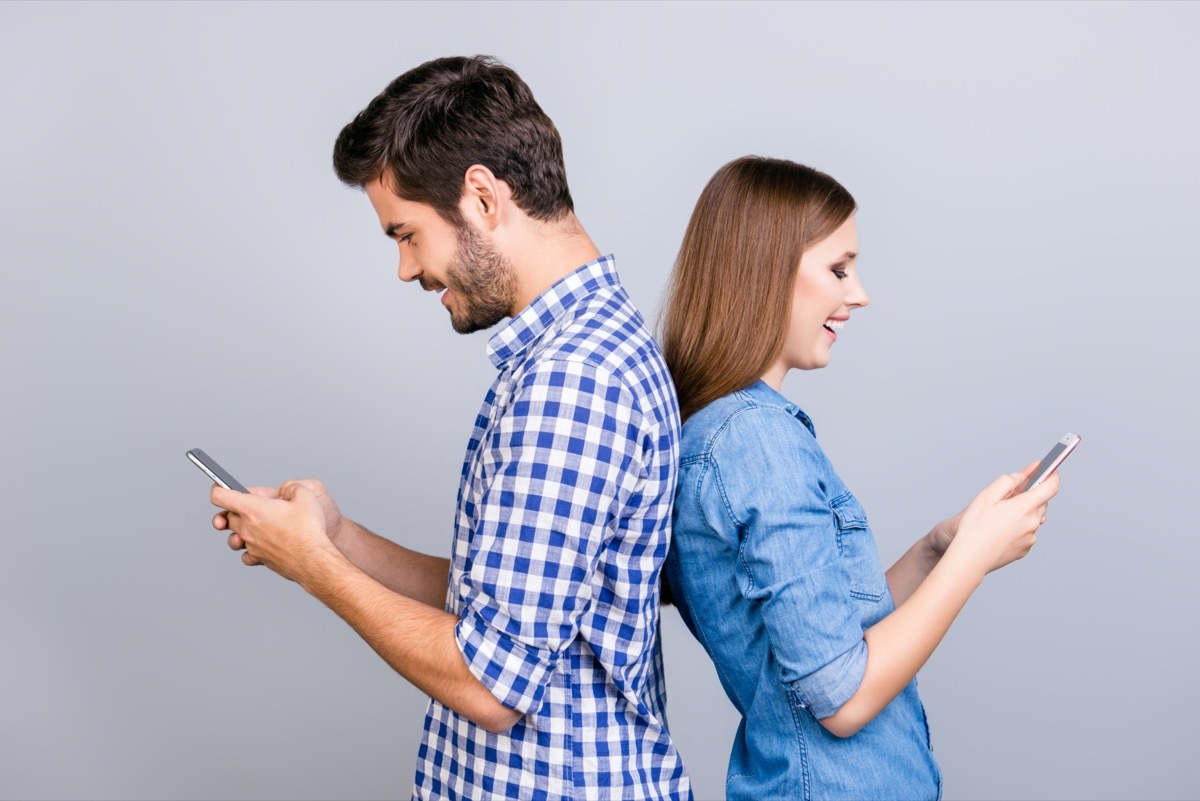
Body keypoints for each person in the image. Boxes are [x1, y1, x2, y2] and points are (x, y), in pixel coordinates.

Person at [208, 56, 690, 801]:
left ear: (483, 197)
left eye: (406, 234)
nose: (406, 269)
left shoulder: (574, 380)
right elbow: (502, 600)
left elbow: (490, 683)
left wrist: (316, 568)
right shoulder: (567, 357)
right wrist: (338, 537)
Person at [659, 156, 1059, 801]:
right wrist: (976, 558)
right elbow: (841, 697)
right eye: (838, 269)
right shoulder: (758, 441)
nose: (859, 293)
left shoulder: (720, 432)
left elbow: (825, 628)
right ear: (765, 271)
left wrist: (938, 549)